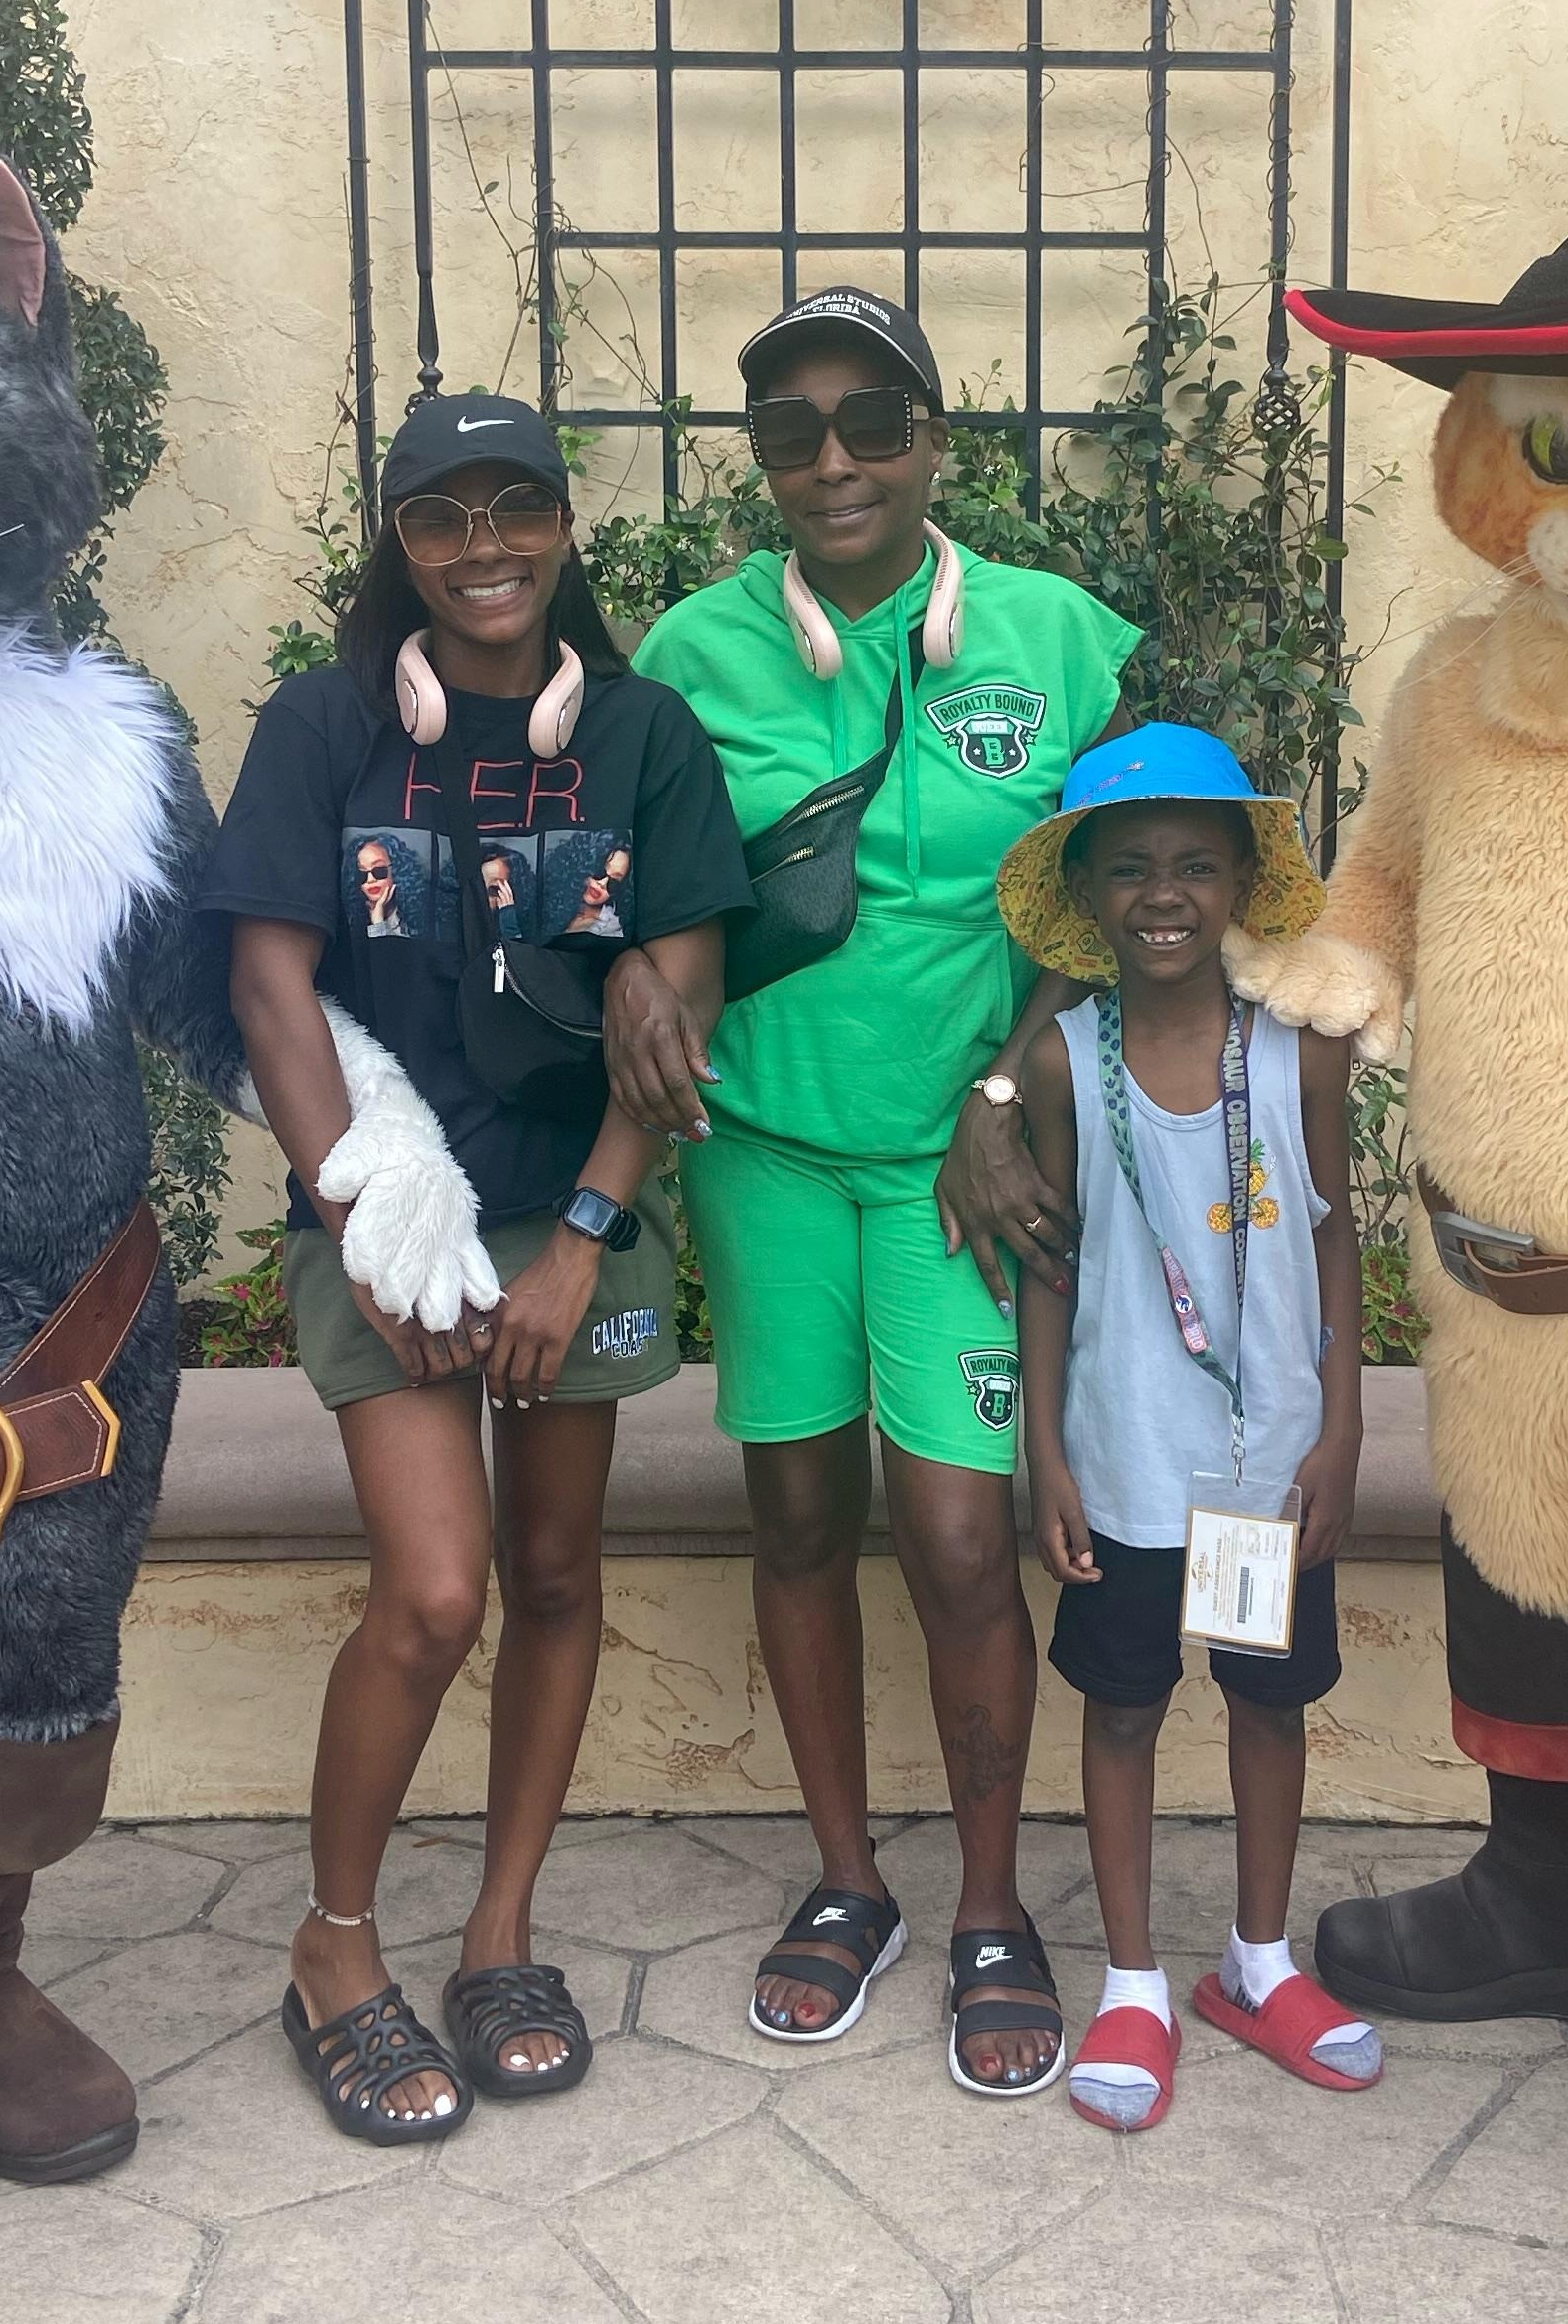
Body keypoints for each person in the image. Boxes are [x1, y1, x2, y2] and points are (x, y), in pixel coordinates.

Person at [203, 392, 750, 2143]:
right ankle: (335, 1945)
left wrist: (587, 1242)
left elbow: (685, 993)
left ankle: (501, 1932)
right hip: (384, 1205)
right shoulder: (327, 726)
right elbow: (269, 987)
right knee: (437, 1593)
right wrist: (359, 1217)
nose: (485, 545)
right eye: (443, 514)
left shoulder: (642, 734)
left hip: (570, 1209)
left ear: (566, 526)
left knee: (558, 1572)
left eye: (519, 506)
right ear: (402, 540)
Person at [614, 287, 1138, 2097]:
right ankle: (849, 1881)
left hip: (955, 1178)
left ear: (935, 443)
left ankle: (990, 1902)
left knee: (964, 1538)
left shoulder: (1059, 639)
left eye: (871, 423)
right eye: (790, 430)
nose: (832, 460)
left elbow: (1119, 898)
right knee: (791, 1517)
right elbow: (643, 881)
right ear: (762, 461)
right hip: (765, 1151)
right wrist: (631, 975)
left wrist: (1007, 1089)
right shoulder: (693, 651)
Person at [997, 728, 1378, 2131]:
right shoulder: (1059, 1063)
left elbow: (1331, 1238)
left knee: (1267, 1703)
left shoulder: (1297, 1052)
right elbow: (1051, 1266)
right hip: (1126, 1462)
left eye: (1198, 867)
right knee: (1124, 1708)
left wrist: (1341, 1427)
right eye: (1132, 868)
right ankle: (1134, 1983)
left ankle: (1258, 1965)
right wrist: (1047, 1452)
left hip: (1265, 1466)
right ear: (1087, 892)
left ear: (1240, 885)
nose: (1165, 895)